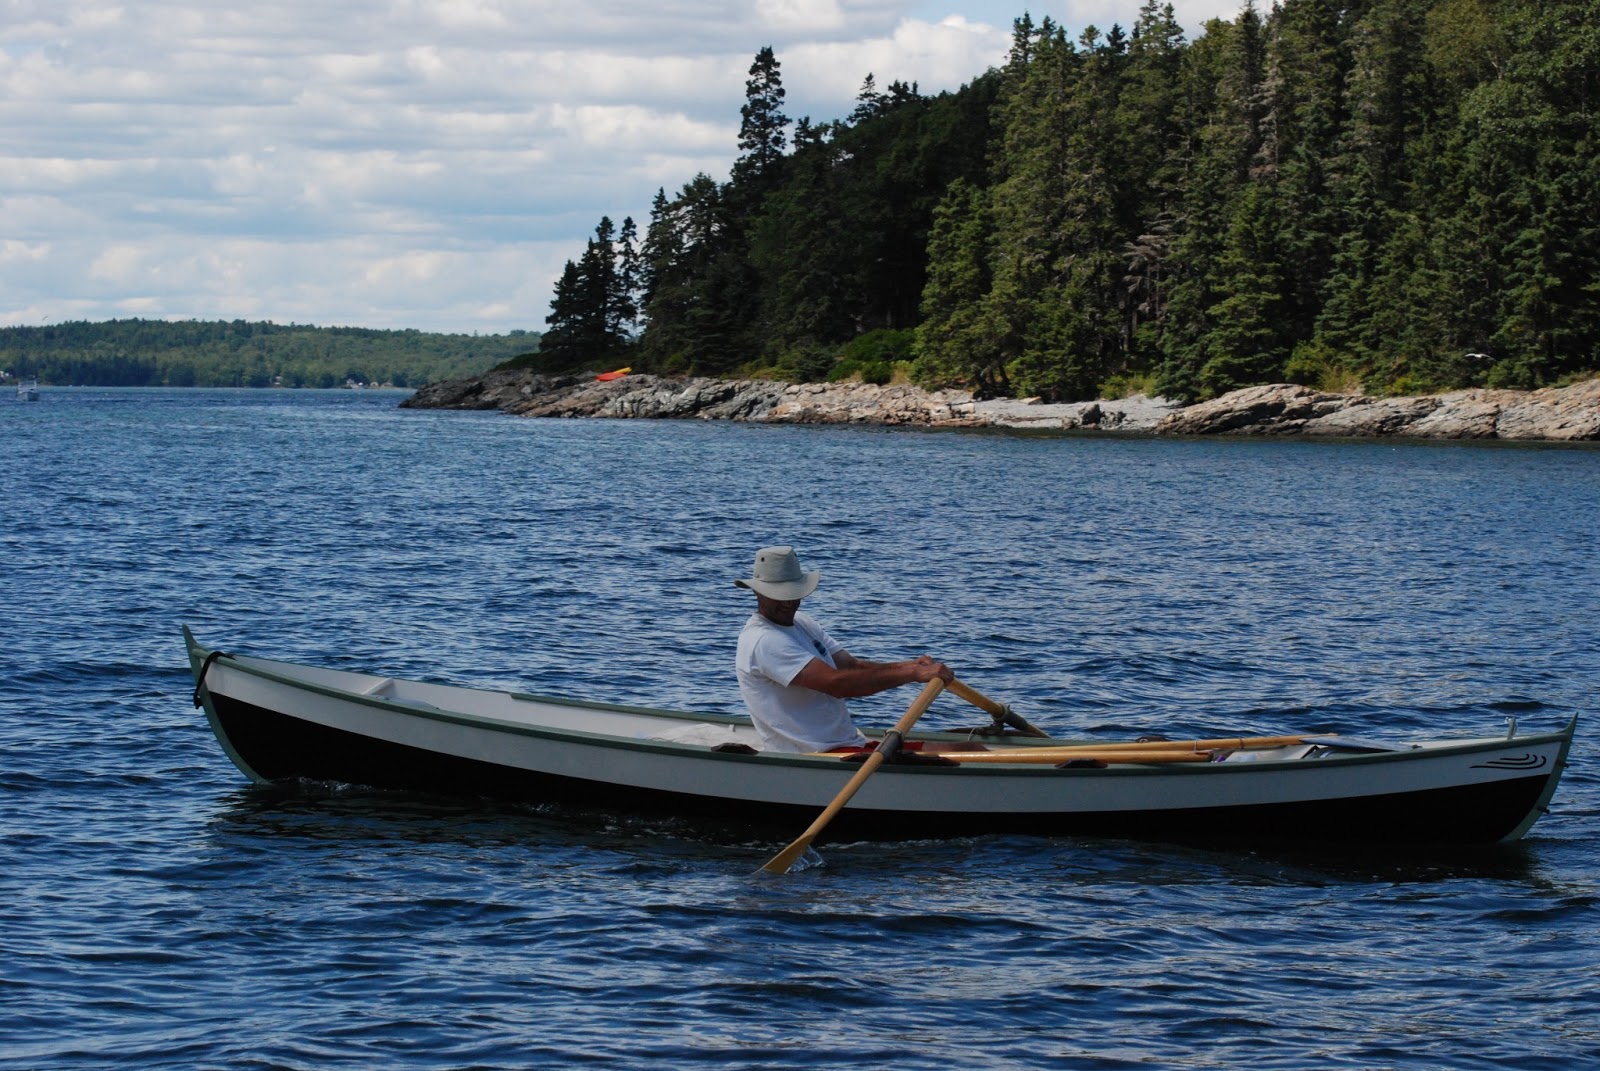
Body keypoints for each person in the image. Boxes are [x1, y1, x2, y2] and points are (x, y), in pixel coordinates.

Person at [733, 545, 958, 753]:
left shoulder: (802, 622)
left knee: (967, 748)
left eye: (793, 594)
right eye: (779, 595)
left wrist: (910, 665)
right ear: (758, 592)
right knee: (957, 753)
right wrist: (913, 674)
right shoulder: (764, 640)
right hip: (815, 754)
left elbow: (852, 666)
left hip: (848, 744)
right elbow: (837, 684)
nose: (788, 602)